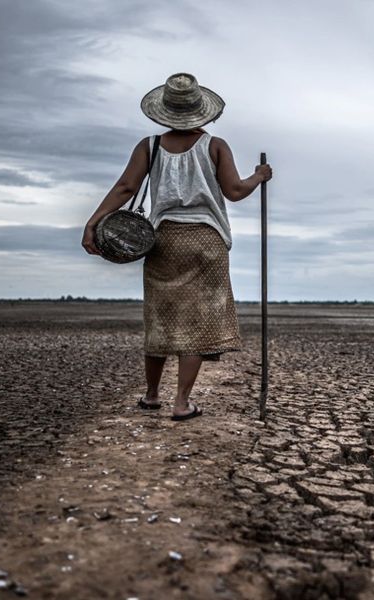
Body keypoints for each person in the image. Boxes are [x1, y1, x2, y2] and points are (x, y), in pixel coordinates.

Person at [81, 72, 272, 421]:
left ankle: (152, 395)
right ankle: (182, 403)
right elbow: (234, 191)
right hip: (207, 241)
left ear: (164, 111)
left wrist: (94, 221)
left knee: (160, 317)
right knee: (197, 323)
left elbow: (125, 188)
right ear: (202, 111)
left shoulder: (149, 146)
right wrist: (258, 177)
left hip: (163, 240)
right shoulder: (215, 145)